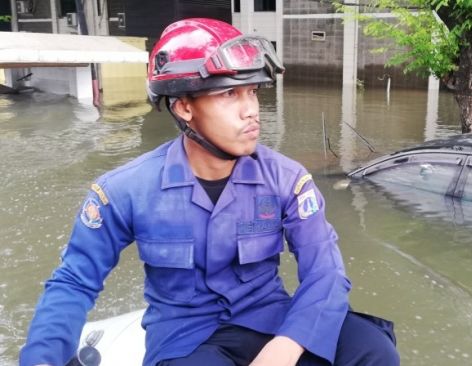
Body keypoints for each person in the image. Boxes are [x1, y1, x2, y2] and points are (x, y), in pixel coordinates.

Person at [20, 18, 399, 366]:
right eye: (230, 95)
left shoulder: (288, 179)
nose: (251, 110)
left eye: (252, 92)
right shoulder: (123, 191)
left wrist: (287, 345)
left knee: (373, 350)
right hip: (187, 339)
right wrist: (42, 357)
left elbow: (326, 274)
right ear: (184, 107)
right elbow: (74, 281)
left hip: (270, 319)